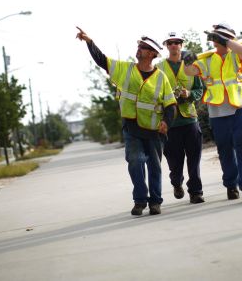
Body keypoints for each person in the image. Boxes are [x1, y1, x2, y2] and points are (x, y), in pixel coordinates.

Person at [75, 27, 177, 216]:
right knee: (135, 162)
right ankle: (140, 200)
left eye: (144, 47)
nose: (139, 49)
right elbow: (102, 60)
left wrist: (166, 122)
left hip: (154, 130)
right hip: (131, 127)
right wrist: (89, 42)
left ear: (153, 54)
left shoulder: (161, 78)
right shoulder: (125, 69)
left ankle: (155, 202)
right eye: (139, 46)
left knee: (154, 167)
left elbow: (171, 104)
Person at [182, 23, 242, 202]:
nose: (218, 42)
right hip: (218, 115)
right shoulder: (207, 59)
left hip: (239, 111)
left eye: (222, 38)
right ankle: (231, 185)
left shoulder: (237, 56)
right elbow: (189, 71)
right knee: (225, 153)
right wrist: (187, 60)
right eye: (216, 38)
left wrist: (226, 41)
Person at [157, 31, 205, 204]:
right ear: (166, 46)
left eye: (177, 42)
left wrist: (189, 93)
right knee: (174, 160)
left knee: (194, 158)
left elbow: (200, 89)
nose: (174, 45)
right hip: (170, 122)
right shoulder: (159, 67)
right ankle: (177, 183)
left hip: (190, 119)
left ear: (181, 45)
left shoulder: (192, 66)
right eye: (170, 43)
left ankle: (196, 192)